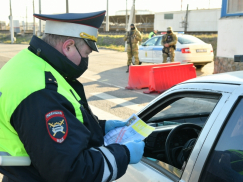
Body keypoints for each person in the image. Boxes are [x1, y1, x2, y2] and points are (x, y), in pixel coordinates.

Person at [0, 11, 145, 182]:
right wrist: (125, 153)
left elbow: (54, 126)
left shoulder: (26, 63)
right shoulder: (42, 91)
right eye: (86, 54)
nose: (85, 60)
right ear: (68, 47)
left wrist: (100, 127)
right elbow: (72, 172)